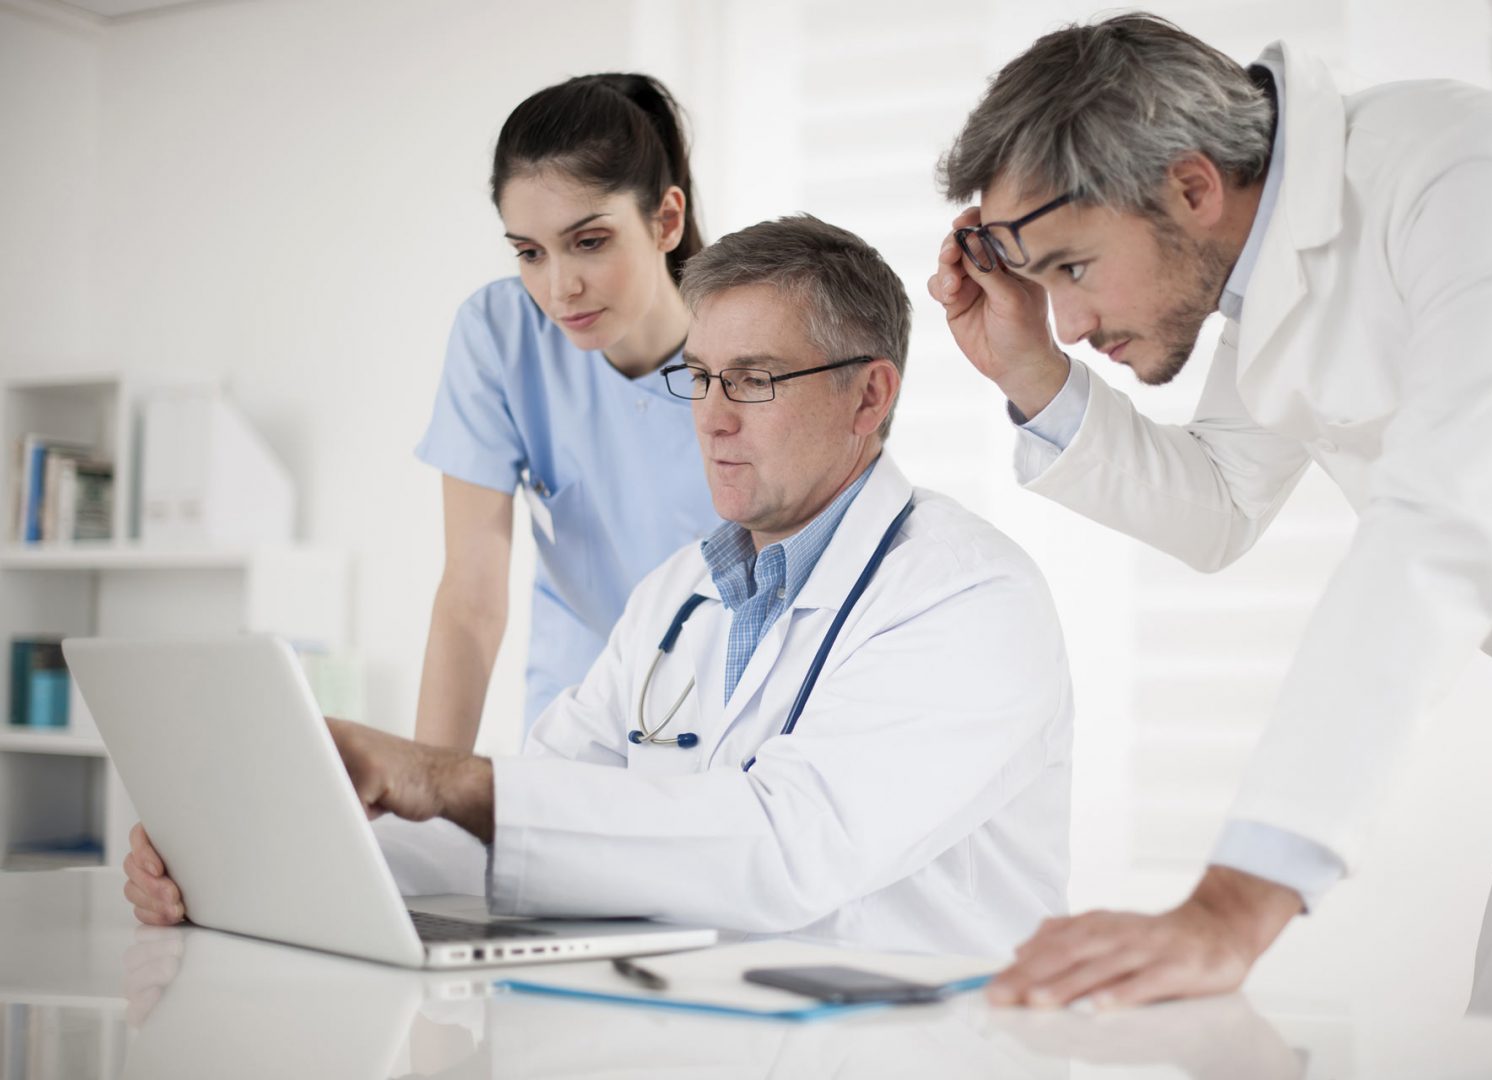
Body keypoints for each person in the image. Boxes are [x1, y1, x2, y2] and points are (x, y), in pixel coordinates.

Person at [125, 215, 1075, 957]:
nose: (709, 421)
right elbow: (530, 819)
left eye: (751, 382)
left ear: (871, 396)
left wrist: (443, 774)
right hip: (704, 1031)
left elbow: (790, 849)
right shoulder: (677, 595)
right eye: (698, 379)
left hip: (916, 1052)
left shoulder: (968, 598)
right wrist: (250, 850)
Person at [929, 13, 1492, 1023]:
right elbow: (1220, 504)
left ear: (1193, 186)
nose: (1069, 325)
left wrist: (1234, 904)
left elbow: (1442, 526)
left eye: (1071, 268)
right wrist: (1027, 371)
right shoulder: (1269, 264)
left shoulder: (1472, 182)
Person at [414, 73, 719, 751]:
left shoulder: (748, 356)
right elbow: (471, 600)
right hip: (575, 714)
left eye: (589, 242)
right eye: (529, 252)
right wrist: (424, 794)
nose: (559, 287)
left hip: (724, 718)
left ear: (665, 220)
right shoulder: (499, 334)